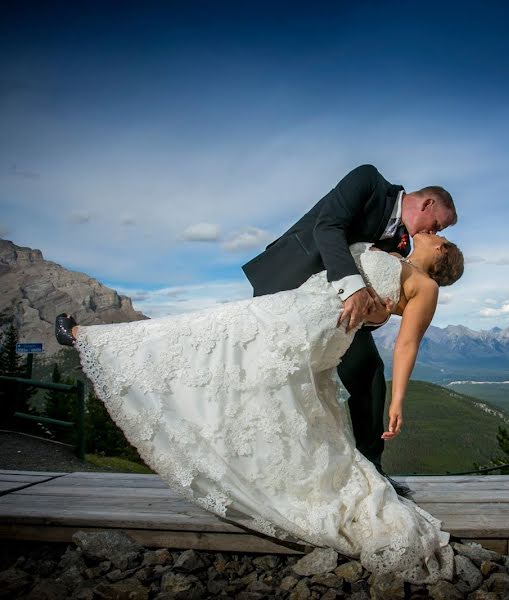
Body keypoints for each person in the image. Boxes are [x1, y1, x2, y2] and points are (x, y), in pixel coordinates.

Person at [54, 234, 464, 583]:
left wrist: (396, 401)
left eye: (435, 233)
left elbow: (407, 343)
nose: (425, 232)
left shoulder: (425, 287)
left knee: (212, 334)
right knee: (239, 370)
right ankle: (95, 342)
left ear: (441, 249)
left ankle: (88, 338)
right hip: (299, 311)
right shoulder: (394, 256)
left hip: (307, 325)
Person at [241, 164, 458, 497]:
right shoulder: (370, 181)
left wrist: (379, 314)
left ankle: (372, 472)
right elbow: (328, 227)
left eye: (437, 231)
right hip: (295, 285)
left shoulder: (402, 247)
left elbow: (385, 295)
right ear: (428, 204)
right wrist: (354, 288)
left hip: (343, 317)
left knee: (370, 372)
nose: (433, 231)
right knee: (278, 379)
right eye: (437, 225)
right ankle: (265, 469)